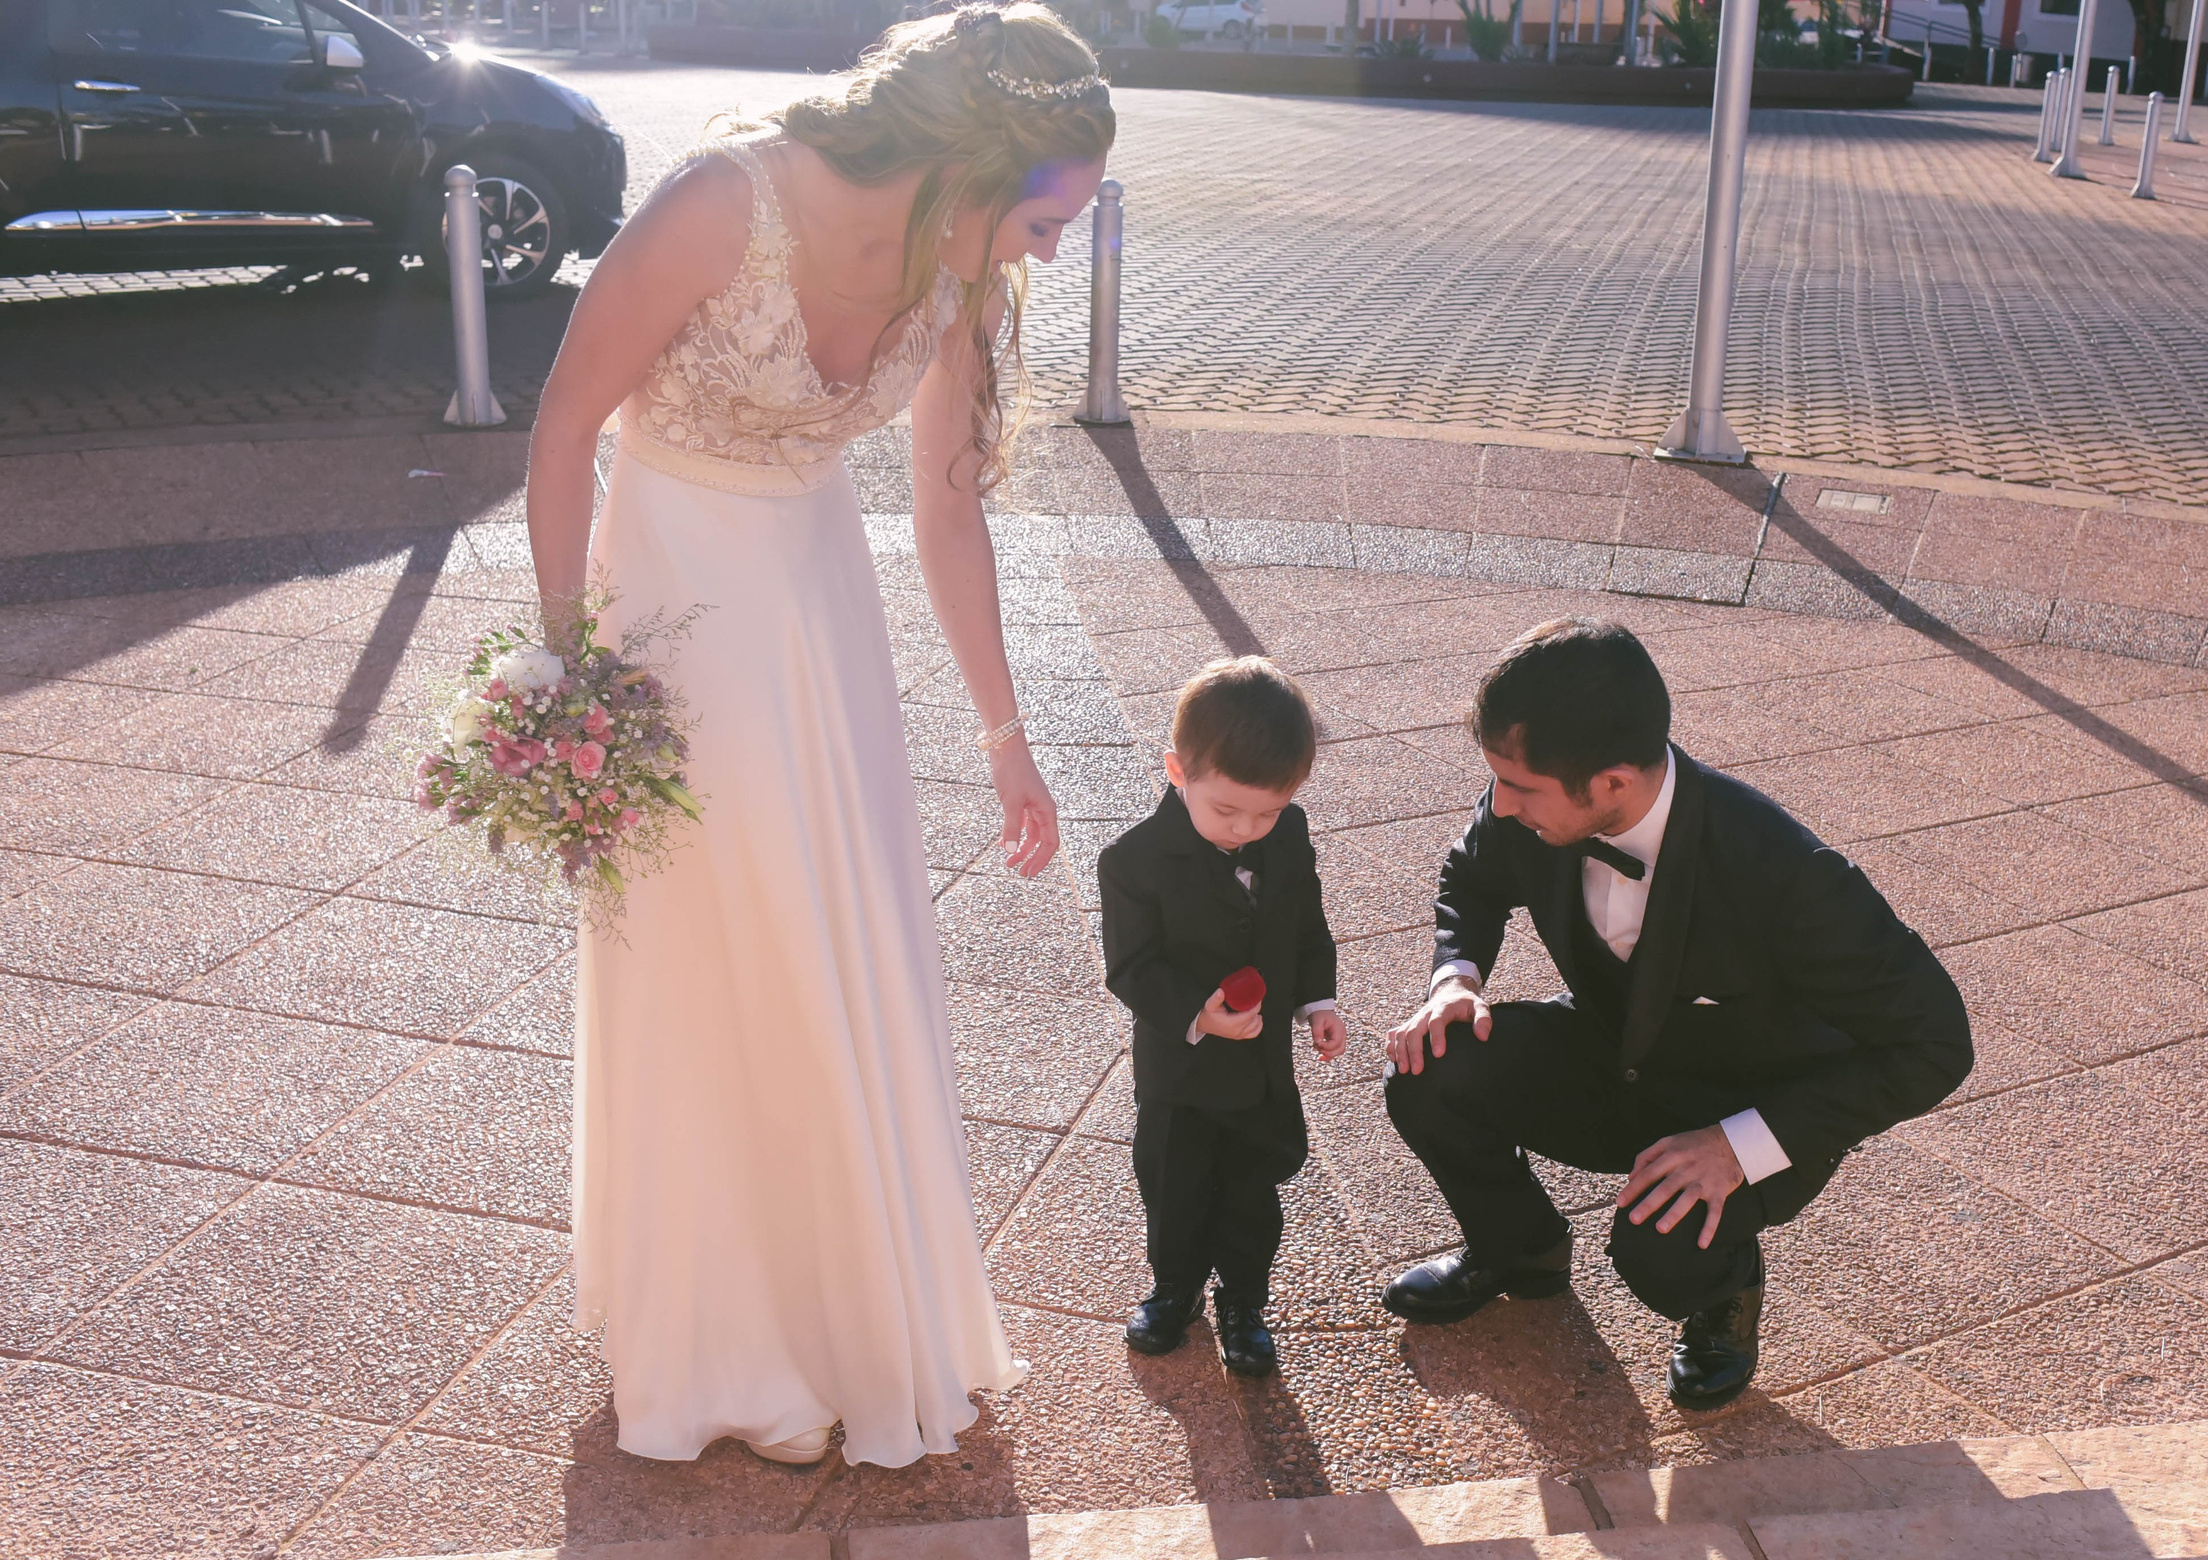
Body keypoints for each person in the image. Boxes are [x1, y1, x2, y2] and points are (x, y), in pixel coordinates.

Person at [522, 4, 1113, 1466]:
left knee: (836, 926)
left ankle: (850, 1304)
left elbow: (950, 509)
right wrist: (567, 664)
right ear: (973, 170)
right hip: (672, 592)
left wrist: (1004, 734)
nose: (1047, 256)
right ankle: (718, 1331)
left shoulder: (953, 276)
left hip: (816, 603)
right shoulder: (725, 202)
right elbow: (558, 428)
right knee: (722, 942)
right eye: (1044, 223)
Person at [1380, 619, 1973, 1411]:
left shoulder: (1790, 876)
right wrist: (1455, 978)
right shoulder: (1534, 801)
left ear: (1615, 783)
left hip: (1747, 1099)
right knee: (1429, 1068)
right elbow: (1470, 877)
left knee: (1658, 1252)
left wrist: (1740, 1146)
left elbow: (1937, 1042)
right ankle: (1518, 1249)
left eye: (1519, 788)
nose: (1499, 803)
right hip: (1613, 1048)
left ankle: (1725, 1288)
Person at [1097, 659, 1347, 1376]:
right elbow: (1131, 965)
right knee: (1174, 1185)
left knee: (1249, 1190)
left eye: (1266, 812)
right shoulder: (1134, 861)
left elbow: (1305, 926)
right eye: (1228, 810)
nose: (1247, 829)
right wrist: (1197, 1012)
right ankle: (1175, 1288)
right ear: (1178, 770)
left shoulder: (1286, 835)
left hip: (1258, 1067)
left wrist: (1318, 1000)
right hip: (1179, 1070)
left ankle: (1244, 1299)